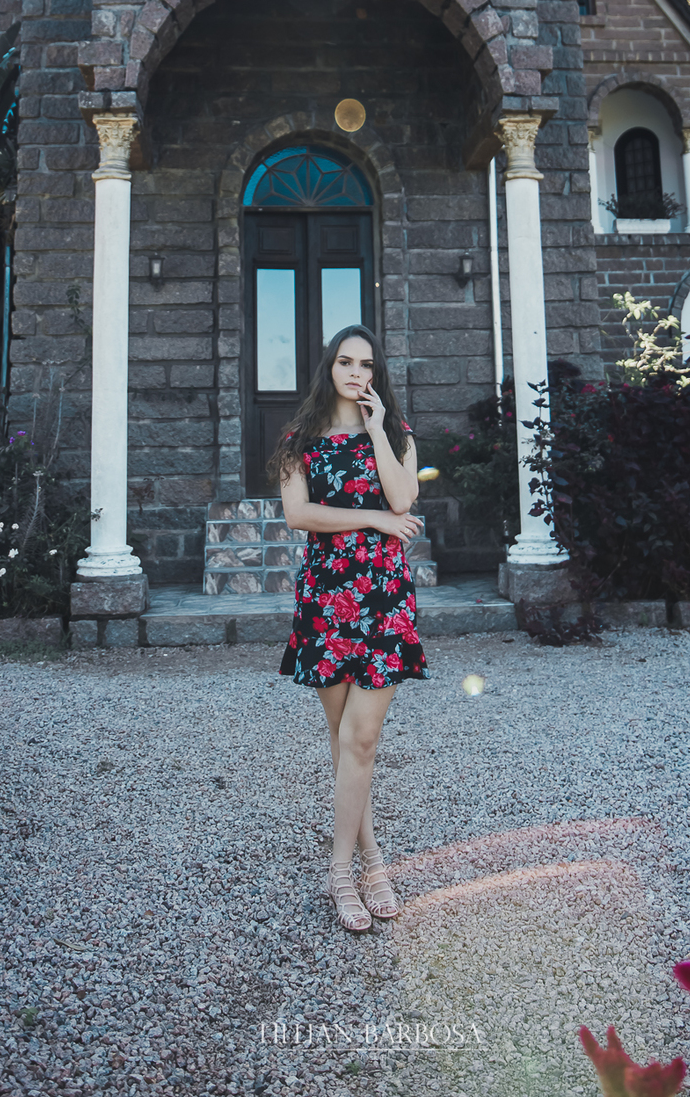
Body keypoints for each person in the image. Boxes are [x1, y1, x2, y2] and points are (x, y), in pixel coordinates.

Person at [273, 325, 428, 932]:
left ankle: (342, 875)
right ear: (329, 367)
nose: (355, 372)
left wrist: (377, 428)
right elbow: (298, 514)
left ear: (377, 372)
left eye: (366, 363)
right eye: (345, 361)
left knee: (361, 741)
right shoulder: (299, 440)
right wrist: (372, 522)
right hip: (329, 599)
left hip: (385, 599)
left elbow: (403, 500)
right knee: (345, 743)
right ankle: (372, 863)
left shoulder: (396, 434)